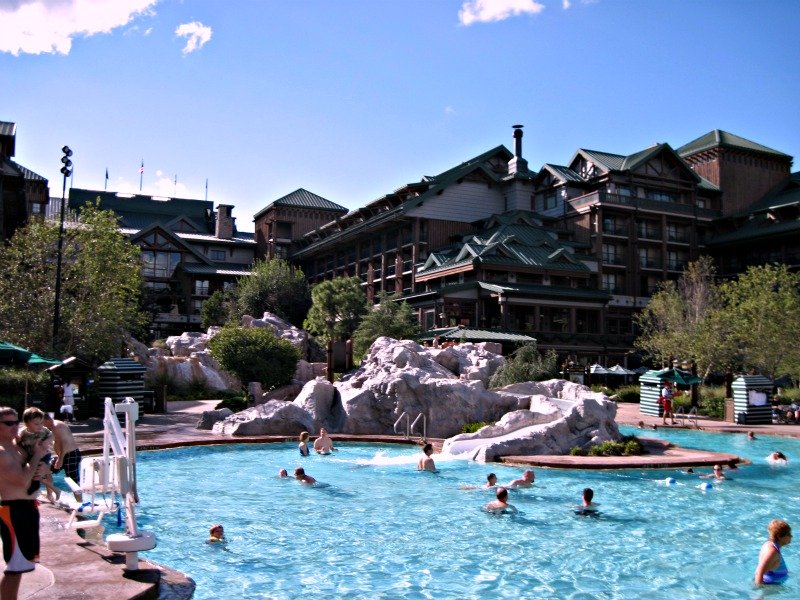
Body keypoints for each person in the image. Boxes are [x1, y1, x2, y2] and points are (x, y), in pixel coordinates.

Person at [0, 405, 49, 600]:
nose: (15, 427)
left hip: (28, 508)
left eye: (16, 422)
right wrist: (37, 456)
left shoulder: (18, 445)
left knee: (22, 566)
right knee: (14, 568)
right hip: (14, 511)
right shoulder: (2, 452)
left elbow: (35, 470)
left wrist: (43, 467)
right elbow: (21, 480)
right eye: (8, 423)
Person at [17, 408, 57, 500]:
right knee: (29, 472)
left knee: (39, 471)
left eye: (41, 423)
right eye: (36, 424)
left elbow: (52, 434)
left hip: (44, 455)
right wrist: (17, 439)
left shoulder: (44, 430)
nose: (40, 426)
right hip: (30, 455)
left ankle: (37, 488)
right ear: (27, 423)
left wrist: (47, 440)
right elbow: (17, 439)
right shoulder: (23, 432)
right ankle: (32, 488)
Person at [42, 413, 82, 491]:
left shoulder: (57, 426)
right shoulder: (53, 427)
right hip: (63, 455)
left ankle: (80, 501)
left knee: (73, 482)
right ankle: (50, 495)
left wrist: (60, 459)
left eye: (42, 423)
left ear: (47, 420)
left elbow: (64, 443)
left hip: (71, 455)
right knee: (46, 471)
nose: (43, 426)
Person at [754, 519, 791, 585]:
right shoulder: (772, 551)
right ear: (779, 536)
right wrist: (759, 594)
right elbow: (759, 571)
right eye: (788, 534)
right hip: (772, 586)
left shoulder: (769, 544)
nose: (791, 536)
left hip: (774, 583)